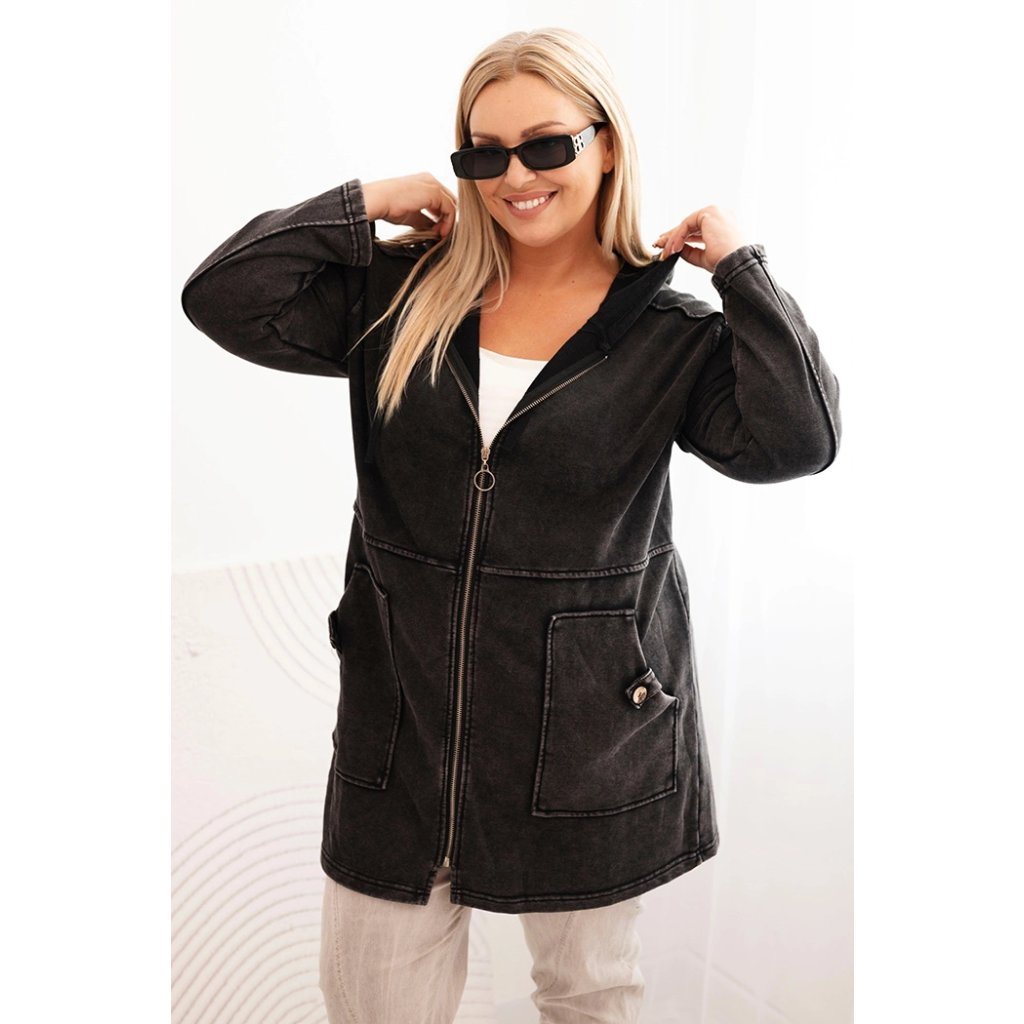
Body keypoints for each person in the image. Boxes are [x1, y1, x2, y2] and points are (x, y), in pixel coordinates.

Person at [181, 25, 842, 1024]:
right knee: (373, 1006)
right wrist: (366, 202)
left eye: (545, 145)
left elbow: (800, 441)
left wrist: (742, 268)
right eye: (483, 154)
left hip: (586, 734)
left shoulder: (669, 337)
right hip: (401, 727)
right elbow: (224, 297)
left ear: (607, 144)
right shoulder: (400, 298)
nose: (515, 177)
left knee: (588, 999)